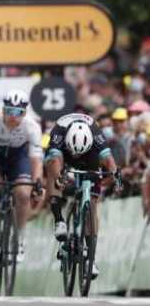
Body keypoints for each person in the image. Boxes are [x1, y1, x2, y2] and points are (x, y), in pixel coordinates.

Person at [45, 112, 119, 279]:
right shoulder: (59, 132)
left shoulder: (96, 134)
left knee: (92, 205)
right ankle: (59, 221)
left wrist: (116, 174)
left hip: (90, 155)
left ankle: (90, 259)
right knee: (52, 170)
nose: (76, 156)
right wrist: (59, 177)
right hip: (63, 153)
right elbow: (55, 160)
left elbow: (109, 160)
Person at [0, 89, 43, 264]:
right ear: (3, 110)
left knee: (23, 194)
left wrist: (37, 181)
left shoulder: (32, 127)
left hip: (19, 159)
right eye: (9, 111)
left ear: (24, 112)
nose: (13, 116)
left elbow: (36, 159)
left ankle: (20, 239)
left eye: (18, 112)